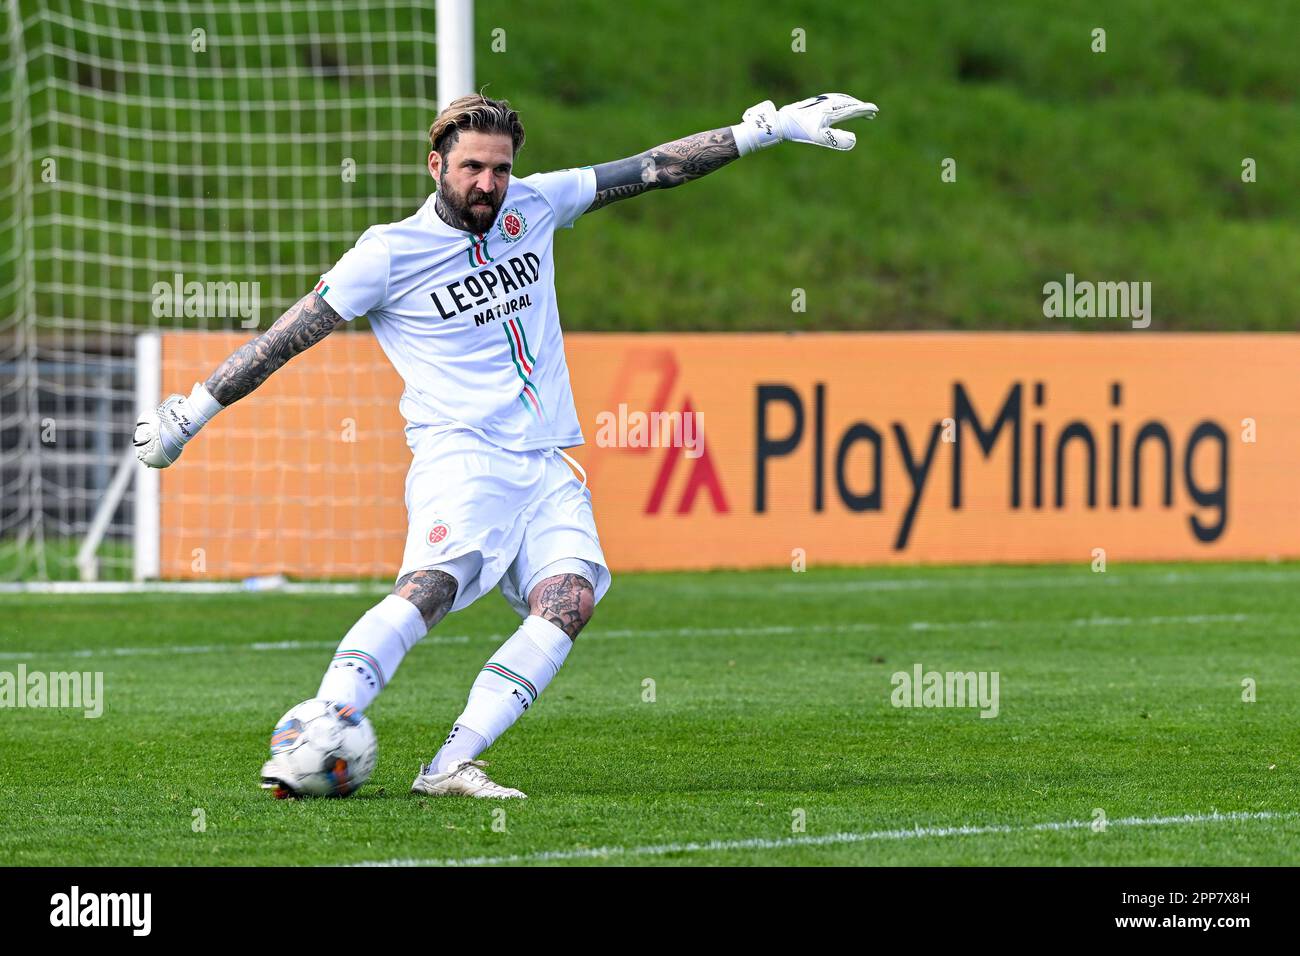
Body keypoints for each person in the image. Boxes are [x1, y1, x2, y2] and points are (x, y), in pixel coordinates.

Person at [134, 91, 878, 798]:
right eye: (472, 169)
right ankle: (324, 723)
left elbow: (652, 169)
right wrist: (189, 416)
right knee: (434, 586)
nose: (488, 183)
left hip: (546, 458)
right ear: (436, 166)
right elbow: (285, 339)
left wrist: (764, 132)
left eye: (499, 168)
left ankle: (452, 763)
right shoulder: (388, 254)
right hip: (461, 453)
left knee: (569, 599)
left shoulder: (536, 204)